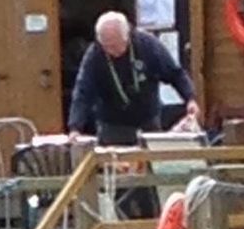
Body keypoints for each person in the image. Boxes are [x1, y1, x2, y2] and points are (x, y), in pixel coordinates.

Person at [68, 11, 199, 145]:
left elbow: (174, 73)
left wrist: (190, 98)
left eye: (117, 44)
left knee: (151, 162)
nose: (113, 51)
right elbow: (83, 92)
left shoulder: (147, 44)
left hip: (148, 120)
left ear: (127, 35)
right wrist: (75, 127)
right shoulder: (94, 55)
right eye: (107, 47)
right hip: (112, 125)